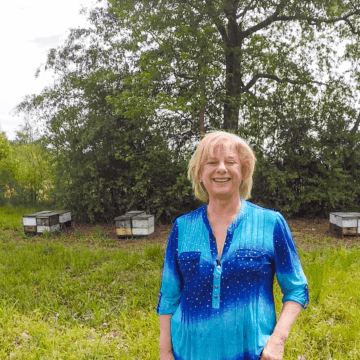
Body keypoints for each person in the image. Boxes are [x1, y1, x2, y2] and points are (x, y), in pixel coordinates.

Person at [156, 131, 309, 360]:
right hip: (188, 352)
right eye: (211, 162)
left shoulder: (271, 223)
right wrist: (165, 351)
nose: (221, 169)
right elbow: (169, 296)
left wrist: (278, 340)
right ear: (199, 172)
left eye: (230, 162)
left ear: (243, 171)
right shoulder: (182, 227)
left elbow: (296, 288)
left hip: (251, 353)